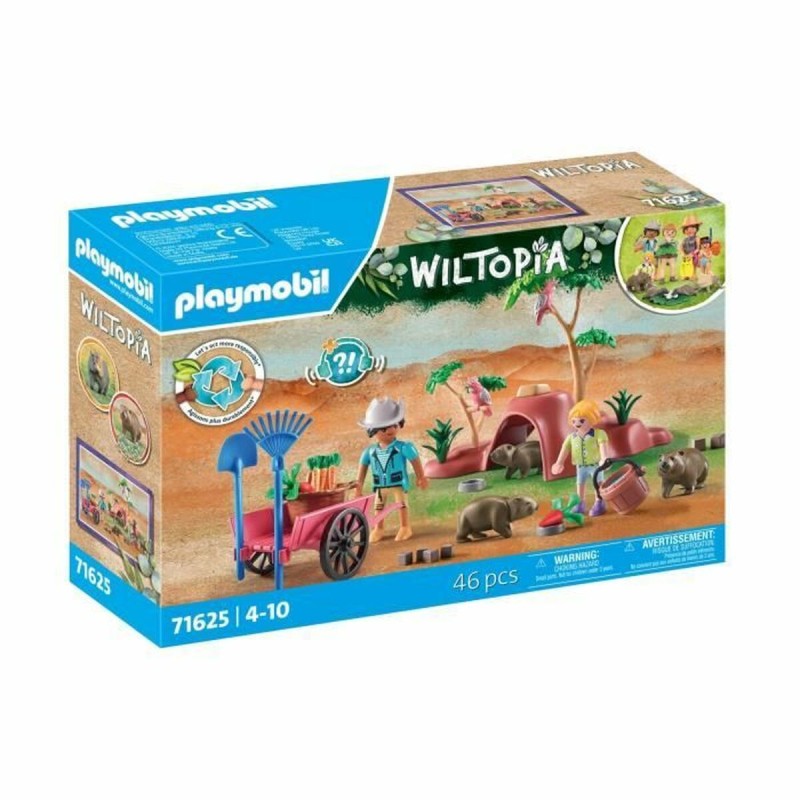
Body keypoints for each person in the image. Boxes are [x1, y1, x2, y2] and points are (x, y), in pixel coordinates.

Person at [355, 397, 428, 542]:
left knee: (401, 504)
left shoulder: (403, 447)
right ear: (373, 430)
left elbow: (415, 460)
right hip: (380, 485)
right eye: (384, 428)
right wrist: (358, 487)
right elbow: (362, 469)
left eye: (394, 425)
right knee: (378, 506)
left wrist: (421, 477)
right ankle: (379, 528)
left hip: (398, 484)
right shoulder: (370, 451)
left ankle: (405, 527)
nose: (390, 430)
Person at [551, 399, 609, 516]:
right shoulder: (571, 437)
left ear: (592, 419)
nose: (577, 423)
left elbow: (603, 446)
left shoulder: (599, 434)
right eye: (574, 420)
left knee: (598, 484)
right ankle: (580, 503)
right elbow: (565, 449)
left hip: (595, 466)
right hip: (580, 466)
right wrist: (559, 462)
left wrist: (604, 459)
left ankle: (600, 502)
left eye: (582, 420)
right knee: (580, 484)